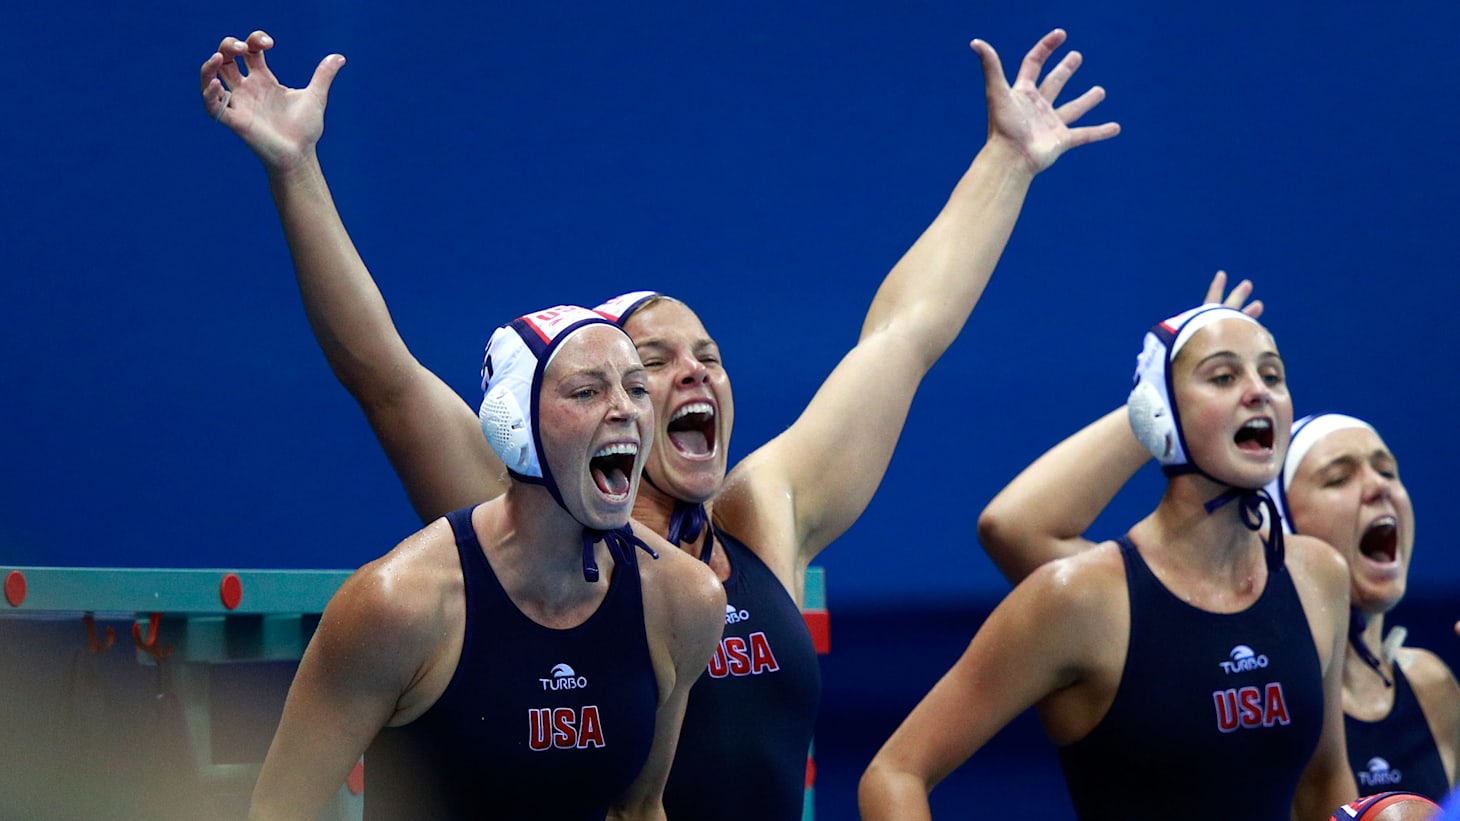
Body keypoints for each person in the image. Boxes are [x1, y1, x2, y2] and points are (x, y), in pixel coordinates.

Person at [201, 26, 1119, 819]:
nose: (692, 375)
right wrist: (296, 169)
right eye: (652, 362)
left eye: (709, 357)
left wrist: (1007, 159)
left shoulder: (765, 512)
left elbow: (905, 334)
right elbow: (385, 374)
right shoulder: (528, 512)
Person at [860, 300, 1356, 819]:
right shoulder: (1079, 599)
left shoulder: (1316, 576)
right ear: (1159, 411)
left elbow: (1325, 785)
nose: (1259, 391)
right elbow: (895, 773)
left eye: (1272, 374)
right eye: (1223, 377)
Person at [976, 275, 1459, 804]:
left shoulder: (1428, 685)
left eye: (1388, 472)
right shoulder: (1135, 611)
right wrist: (1162, 393)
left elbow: (1328, 789)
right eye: (1338, 478)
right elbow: (1015, 527)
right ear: (1276, 513)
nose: (1378, 491)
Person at [247, 305, 726, 820]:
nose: (625, 410)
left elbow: (639, 810)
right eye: (587, 391)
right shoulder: (399, 607)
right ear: (512, 424)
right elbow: (277, 811)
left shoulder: (682, 600)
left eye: (635, 389)